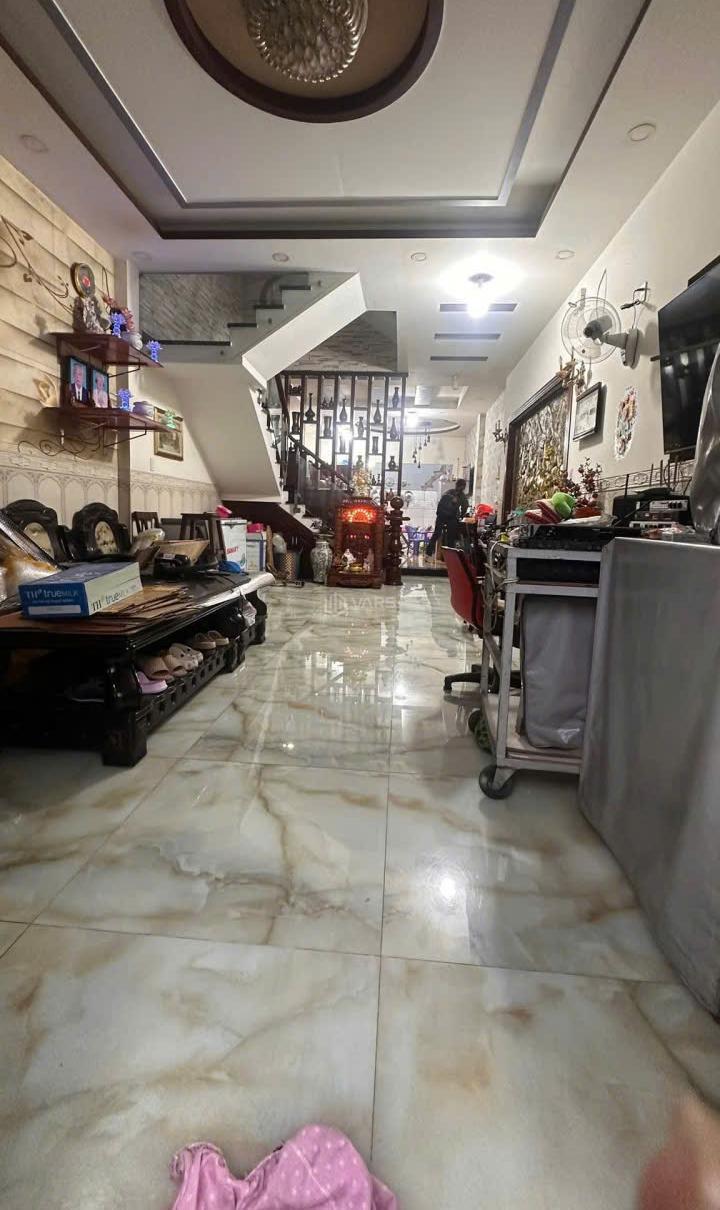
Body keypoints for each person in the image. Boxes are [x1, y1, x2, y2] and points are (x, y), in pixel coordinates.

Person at [426, 478, 469, 558]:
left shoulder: (448, 492)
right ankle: (449, 557)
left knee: (436, 534)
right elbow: (465, 508)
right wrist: (460, 516)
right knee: (451, 537)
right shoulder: (462, 496)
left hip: (441, 516)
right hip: (451, 518)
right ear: (463, 486)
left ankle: (428, 553)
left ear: (456, 485)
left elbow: (440, 504)